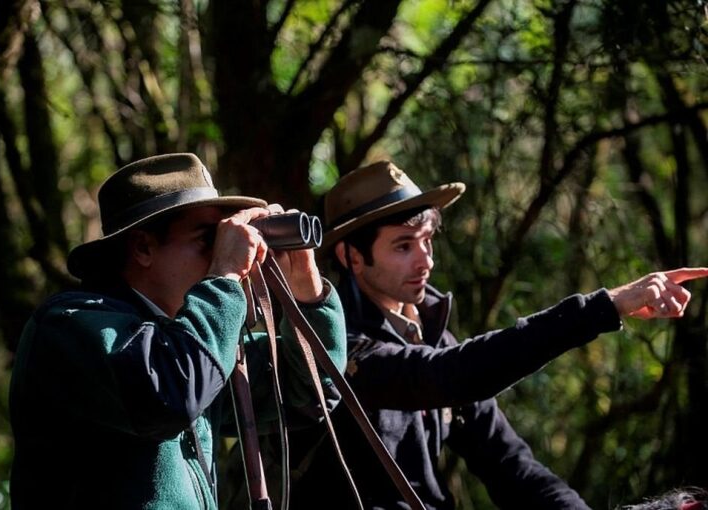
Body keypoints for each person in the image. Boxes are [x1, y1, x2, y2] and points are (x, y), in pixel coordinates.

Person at [283, 160, 708, 510]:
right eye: (403, 246)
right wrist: (604, 306)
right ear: (352, 257)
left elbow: (510, 465)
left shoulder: (432, 337)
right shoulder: (337, 344)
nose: (426, 261)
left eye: (428, 241)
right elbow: (446, 375)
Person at [8, 153, 347, 509]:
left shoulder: (190, 341)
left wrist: (305, 286)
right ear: (143, 247)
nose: (222, 251)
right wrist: (225, 274)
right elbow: (172, 393)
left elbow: (309, 392)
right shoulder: (69, 326)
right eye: (208, 239)